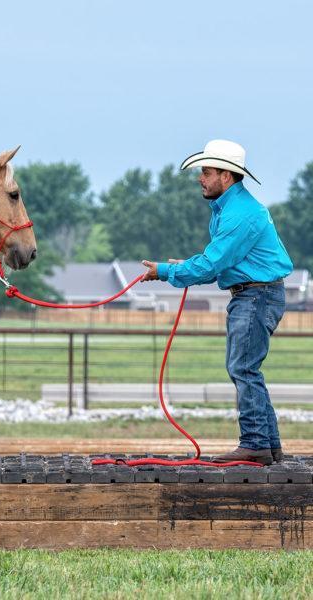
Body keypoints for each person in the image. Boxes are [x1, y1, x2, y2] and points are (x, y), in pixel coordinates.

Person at [141, 139, 293, 465]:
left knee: (243, 368)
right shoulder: (234, 209)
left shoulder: (239, 215)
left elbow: (211, 265)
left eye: (206, 172)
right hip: (256, 294)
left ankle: (255, 444)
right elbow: (221, 261)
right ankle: (268, 446)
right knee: (247, 368)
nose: (201, 178)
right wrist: (183, 267)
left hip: (256, 296)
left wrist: (165, 271)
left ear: (226, 176)